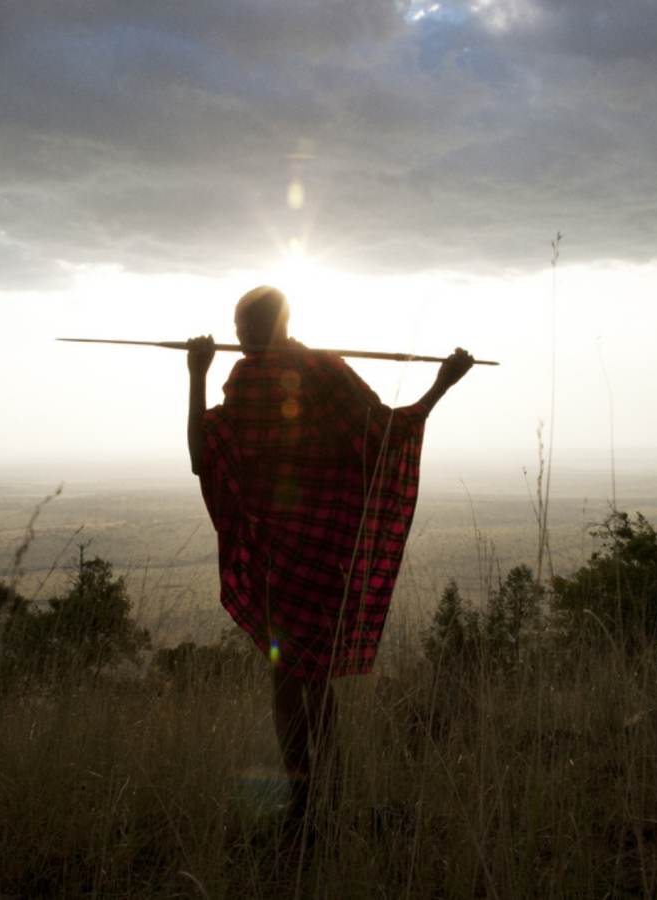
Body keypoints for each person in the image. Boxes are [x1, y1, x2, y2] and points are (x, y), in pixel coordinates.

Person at [186, 285, 473, 830]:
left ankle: (313, 805)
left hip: (304, 558)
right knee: (302, 680)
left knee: (296, 681)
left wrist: (441, 384)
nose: (241, 342)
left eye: (247, 331)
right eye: (240, 332)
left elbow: (385, 434)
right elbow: (206, 458)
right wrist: (198, 373)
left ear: (273, 327)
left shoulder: (300, 373)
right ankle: (319, 801)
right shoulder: (271, 375)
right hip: (296, 559)